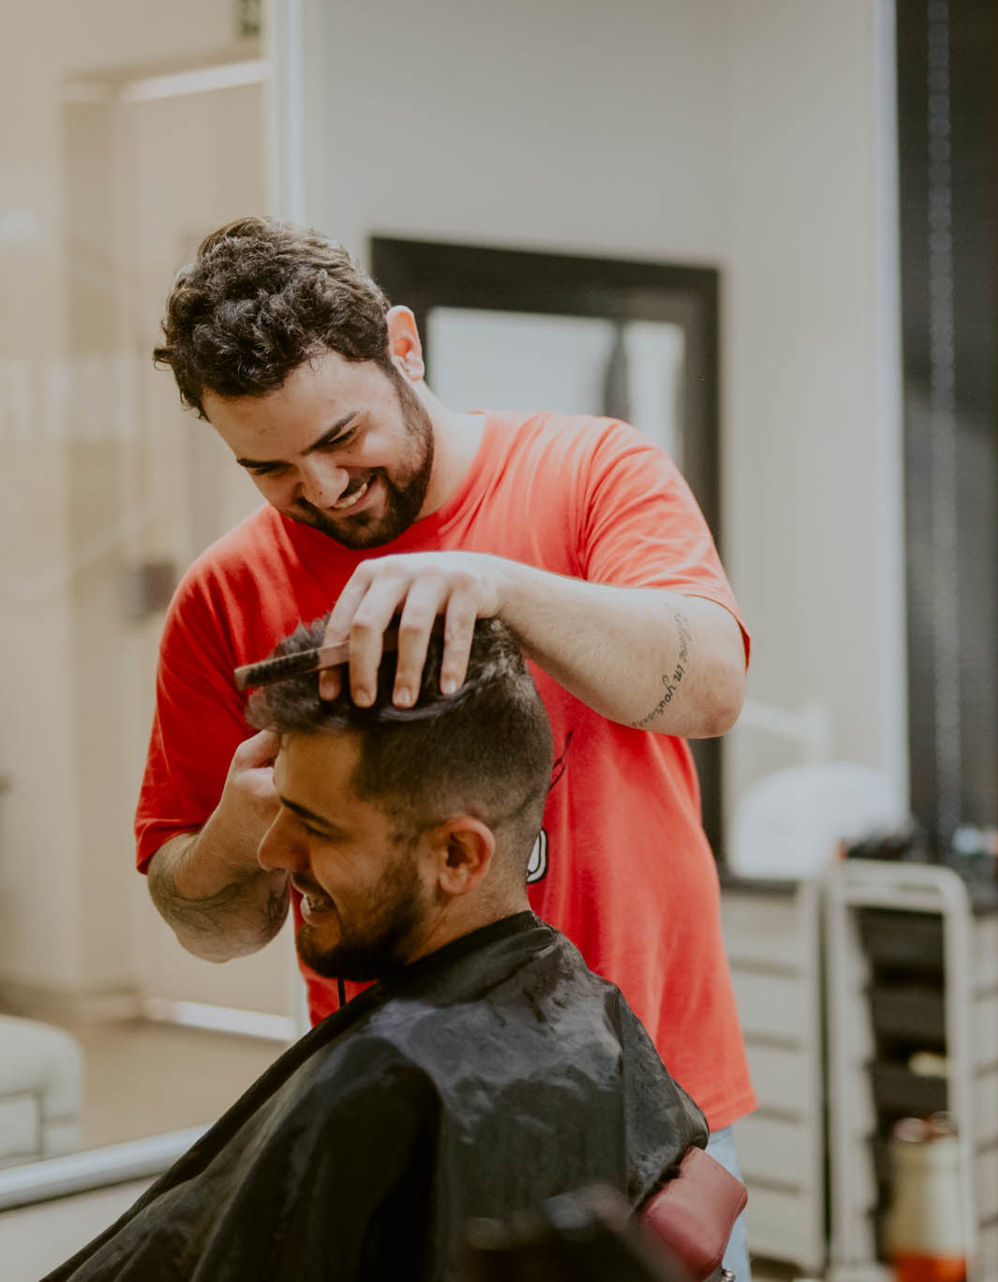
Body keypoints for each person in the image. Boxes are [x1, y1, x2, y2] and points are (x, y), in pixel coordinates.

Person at [135, 218, 755, 1278]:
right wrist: (238, 837)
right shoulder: (224, 597)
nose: (323, 492)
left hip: (645, 1107)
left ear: (404, 348)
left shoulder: (592, 472)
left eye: (341, 440)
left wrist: (502, 586)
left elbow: (709, 685)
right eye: (271, 468)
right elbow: (206, 920)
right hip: (406, 1125)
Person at [51, 619, 710, 1282]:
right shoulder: (598, 1018)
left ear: (456, 855)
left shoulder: (381, 1088)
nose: (270, 853)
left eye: (315, 827)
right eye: (279, 806)